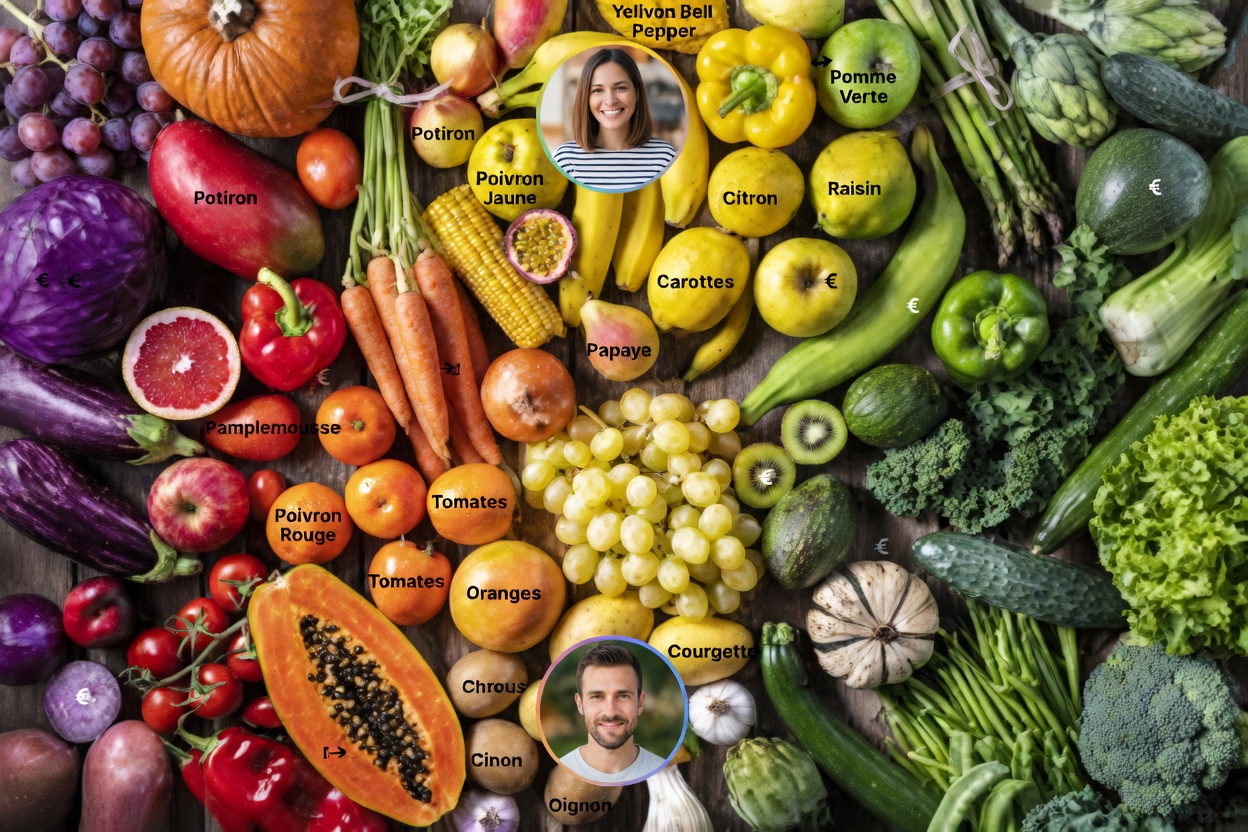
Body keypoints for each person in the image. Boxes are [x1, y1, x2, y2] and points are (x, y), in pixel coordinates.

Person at [552, 49, 677, 191]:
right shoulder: (564, 159)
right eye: (598, 90)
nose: (610, 101)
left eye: (620, 88)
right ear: (586, 98)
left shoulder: (665, 156)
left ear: (637, 92)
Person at [559, 642, 667, 783]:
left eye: (623, 696)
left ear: (640, 703)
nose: (610, 712)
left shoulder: (662, 770)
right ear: (580, 704)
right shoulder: (561, 769)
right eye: (597, 697)